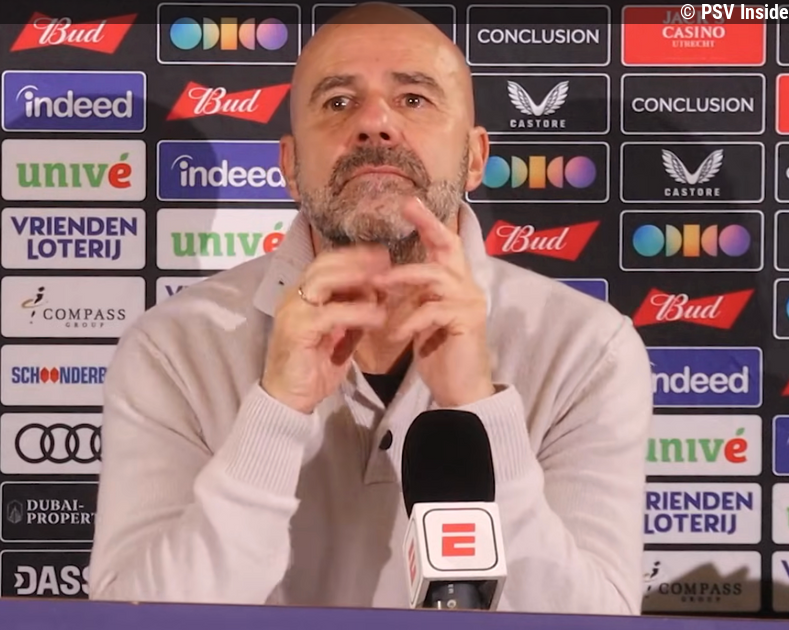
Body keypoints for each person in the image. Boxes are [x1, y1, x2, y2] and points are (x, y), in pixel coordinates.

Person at [87, 1, 650, 614]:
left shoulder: (586, 349)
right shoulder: (174, 348)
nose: (376, 123)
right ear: (290, 168)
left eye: (414, 98)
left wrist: (480, 409)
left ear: (474, 158)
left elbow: (595, 620)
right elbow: (129, 617)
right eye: (338, 102)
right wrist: (275, 412)